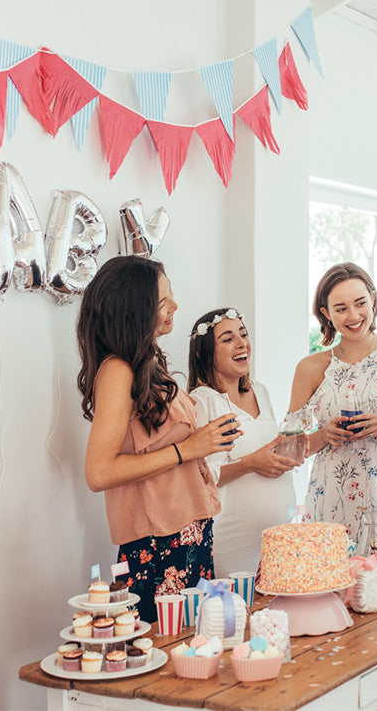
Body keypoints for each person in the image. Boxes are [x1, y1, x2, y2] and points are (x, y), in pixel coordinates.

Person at [76, 256, 237, 623]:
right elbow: (98, 473)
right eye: (163, 301)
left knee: (196, 650)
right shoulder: (117, 371)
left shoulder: (148, 364)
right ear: (135, 308)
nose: (175, 306)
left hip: (190, 532)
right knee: (167, 657)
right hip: (158, 544)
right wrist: (187, 449)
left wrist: (204, 440)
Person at [288, 263, 377, 556]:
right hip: (326, 503)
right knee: (327, 594)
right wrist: (324, 435)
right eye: (340, 309)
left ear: (373, 299)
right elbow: (286, 450)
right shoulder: (311, 367)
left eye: (361, 303)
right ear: (326, 313)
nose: (353, 316)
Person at [188, 307, 301, 576]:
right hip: (232, 537)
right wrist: (251, 464)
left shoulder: (259, 391)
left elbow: (269, 447)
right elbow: (199, 478)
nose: (242, 344)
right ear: (203, 353)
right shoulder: (201, 400)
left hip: (279, 535)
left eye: (243, 334)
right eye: (227, 339)